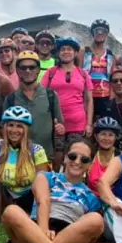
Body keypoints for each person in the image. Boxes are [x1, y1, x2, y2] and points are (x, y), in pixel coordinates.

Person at [0, 139, 110, 243]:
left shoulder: (91, 196)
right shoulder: (45, 177)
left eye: (84, 159)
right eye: (72, 156)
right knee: (11, 211)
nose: (77, 161)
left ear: (90, 164)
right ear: (65, 158)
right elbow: (43, 201)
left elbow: (90, 230)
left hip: (67, 237)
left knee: (96, 219)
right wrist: (44, 231)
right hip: (37, 226)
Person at [41, 37, 93, 170]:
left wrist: (89, 124)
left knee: (75, 156)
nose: (66, 52)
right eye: (62, 49)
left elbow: (89, 99)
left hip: (77, 122)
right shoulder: (51, 72)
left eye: (69, 49)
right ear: (58, 53)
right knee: (56, 155)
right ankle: (54, 184)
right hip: (56, 122)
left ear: (75, 53)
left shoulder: (83, 73)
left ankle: (71, 186)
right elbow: (42, 95)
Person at [3, 50, 64, 161]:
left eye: (32, 67)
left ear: (38, 70)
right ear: (17, 71)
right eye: (23, 67)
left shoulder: (50, 95)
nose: (28, 71)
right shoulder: (11, 99)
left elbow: (59, 127)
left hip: (46, 158)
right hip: (18, 158)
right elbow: (4, 129)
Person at [0, 106, 51, 215]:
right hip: (7, 198)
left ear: (26, 129)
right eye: (11, 125)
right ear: (5, 127)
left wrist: (36, 215)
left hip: (29, 200)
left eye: (19, 126)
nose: (14, 130)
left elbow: (43, 188)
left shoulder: (37, 151)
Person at [79, 19, 115, 119]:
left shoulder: (110, 54)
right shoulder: (84, 51)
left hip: (105, 96)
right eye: (97, 31)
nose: (100, 33)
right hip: (87, 94)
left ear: (107, 34)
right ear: (92, 33)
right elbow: (77, 74)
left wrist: (111, 99)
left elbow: (112, 78)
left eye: (103, 31)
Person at [89, 116, 120, 193]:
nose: (106, 138)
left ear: (115, 138)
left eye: (110, 135)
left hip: (114, 200)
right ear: (96, 136)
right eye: (103, 134)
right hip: (91, 199)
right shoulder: (90, 155)